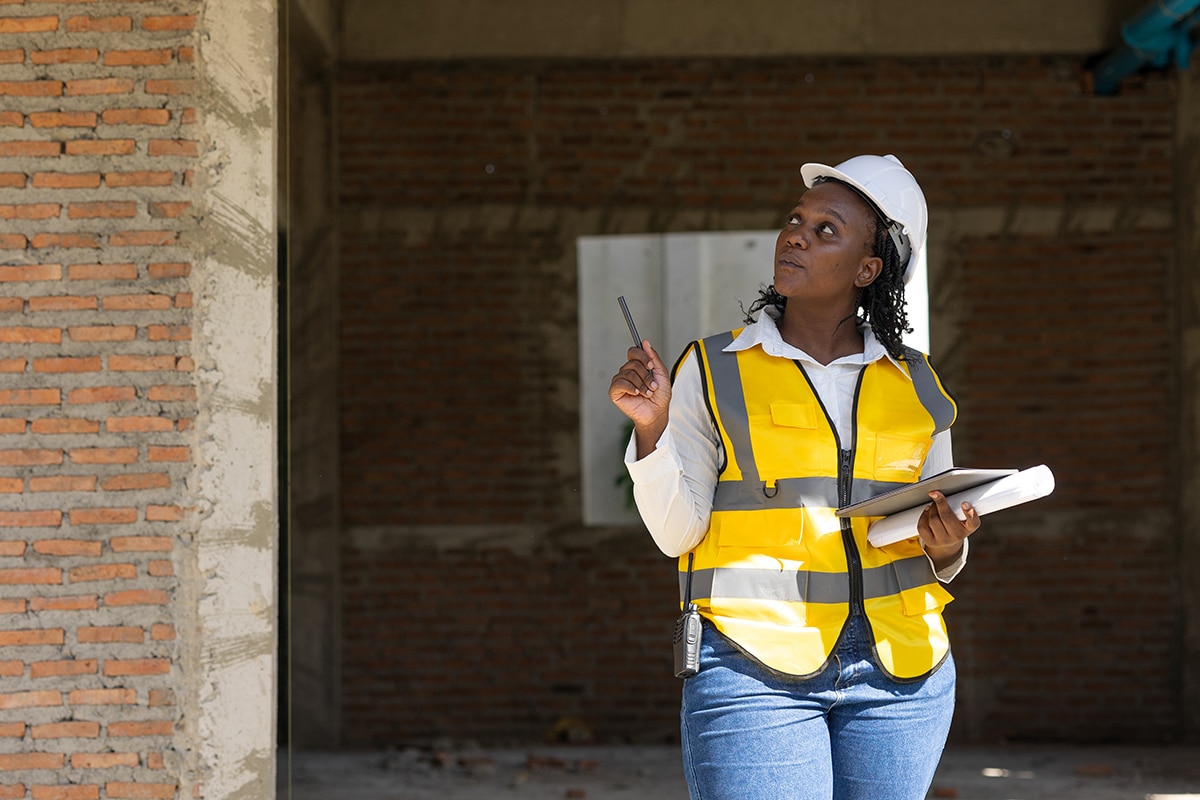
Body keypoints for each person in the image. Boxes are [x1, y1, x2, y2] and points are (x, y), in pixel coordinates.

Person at [608, 154, 981, 800]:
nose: (796, 235)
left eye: (826, 229)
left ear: (870, 268)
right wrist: (652, 429)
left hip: (903, 671)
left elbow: (938, 537)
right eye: (795, 220)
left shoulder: (917, 383)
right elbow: (678, 533)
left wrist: (949, 541)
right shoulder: (714, 368)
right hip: (753, 668)